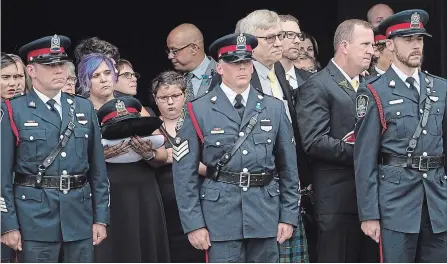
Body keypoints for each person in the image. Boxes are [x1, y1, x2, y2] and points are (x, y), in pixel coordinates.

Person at [172, 32, 300, 263]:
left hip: (264, 212)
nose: (242, 68)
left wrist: (288, 216)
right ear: (219, 68)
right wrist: (194, 224)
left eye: (246, 62)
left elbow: (289, 168)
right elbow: (184, 175)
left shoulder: (273, 108)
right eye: (234, 63)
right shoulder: (198, 110)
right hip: (220, 217)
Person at [1, 34, 109, 262]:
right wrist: (7, 224)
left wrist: (100, 218)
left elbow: (98, 171)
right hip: (34, 219)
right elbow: (2, 175)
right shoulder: (13, 110)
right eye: (50, 65)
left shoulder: (83, 107)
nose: (59, 70)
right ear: (31, 71)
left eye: (61, 64)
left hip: (79, 217)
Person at [354, 9, 447, 262]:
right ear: (390, 45)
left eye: (419, 39)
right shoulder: (374, 92)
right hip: (396, 203)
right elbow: (365, 159)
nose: (416, 46)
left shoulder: (440, 87)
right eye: (408, 40)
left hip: (437, 203)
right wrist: (369, 214)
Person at [296, 20, 379, 262]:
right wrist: (363, 151)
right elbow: (314, 141)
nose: (371, 51)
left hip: (368, 200)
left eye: (372, 45)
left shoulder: (368, 84)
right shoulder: (318, 85)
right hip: (336, 200)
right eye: (365, 44)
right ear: (344, 46)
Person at [76, 53, 171, 262]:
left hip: (142, 188)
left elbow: (162, 152)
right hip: (106, 193)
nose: (103, 79)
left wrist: (149, 153)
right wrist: (98, 157)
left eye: (107, 73)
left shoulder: (132, 105)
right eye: (96, 75)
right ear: (85, 81)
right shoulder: (78, 110)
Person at [151, 70, 206, 263]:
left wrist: (177, 158)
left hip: (198, 206)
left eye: (175, 95)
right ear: (155, 99)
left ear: (186, 95)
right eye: (163, 97)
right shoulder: (149, 128)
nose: (170, 102)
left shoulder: (200, 125)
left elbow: (211, 168)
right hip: (163, 211)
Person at [166, 23, 221, 100]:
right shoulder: (171, 81)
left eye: (175, 51)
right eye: (169, 51)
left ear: (193, 49)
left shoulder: (223, 75)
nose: (170, 56)